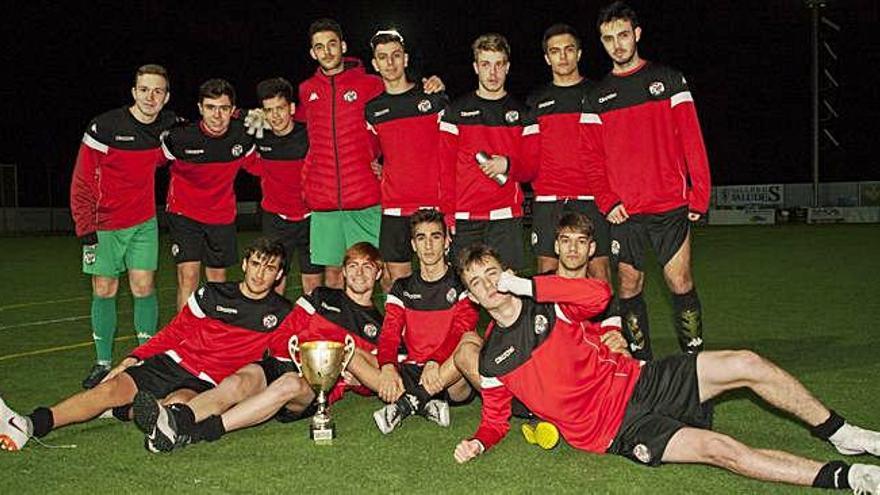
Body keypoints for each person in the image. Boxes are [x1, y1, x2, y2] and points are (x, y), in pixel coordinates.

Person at [451, 245, 880, 494]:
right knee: (719, 449)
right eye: (477, 283)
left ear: (506, 272)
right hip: (615, 430)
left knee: (746, 362)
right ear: (471, 297)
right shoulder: (492, 359)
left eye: (492, 273)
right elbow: (494, 419)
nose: (490, 285)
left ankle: (840, 433)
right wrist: (478, 442)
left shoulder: (545, 299)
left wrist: (525, 284)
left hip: (641, 379)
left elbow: (599, 296)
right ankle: (846, 477)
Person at [0, 239, 292, 452]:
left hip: (208, 382)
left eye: (269, 268)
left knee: (177, 407)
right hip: (173, 362)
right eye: (255, 263)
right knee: (109, 389)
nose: (259, 273)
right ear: (244, 264)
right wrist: (133, 358)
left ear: (279, 275)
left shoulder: (282, 313)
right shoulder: (213, 293)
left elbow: (285, 356)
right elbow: (174, 331)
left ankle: (121, 411)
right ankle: (31, 424)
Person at [129, 242, 389, 452]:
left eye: (368, 267)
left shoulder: (379, 326)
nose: (359, 273)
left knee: (289, 383)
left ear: (378, 273)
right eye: (353, 266)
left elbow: (372, 380)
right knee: (237, 381)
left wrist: (353, 378)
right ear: (343, 272)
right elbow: (282, 336)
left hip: (310, 387)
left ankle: (197, 432)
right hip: (282, 363)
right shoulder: (320, 297)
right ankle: (173, 422)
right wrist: (304, 352)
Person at [580, 2, 712, 360]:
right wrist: (608, 202)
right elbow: (593, 160)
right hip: (625, 212)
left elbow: (692, 140)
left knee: (680, 282)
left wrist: (700, 195)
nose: (617, 44)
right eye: (608, 38)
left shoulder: (669, 80)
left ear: (636, 34)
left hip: (669, 203)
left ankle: (693, 361)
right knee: (628, 286)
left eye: (623, 35)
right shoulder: (596, 98)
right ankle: (641, 365)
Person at [452, 212, 628, 449]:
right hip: (532, 385)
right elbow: (506, 333)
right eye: (566, 241)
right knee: (468, 353)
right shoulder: (535, 288)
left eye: (581, 242)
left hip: (581, 376)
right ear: (556, 246)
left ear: (592, 248)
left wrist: (615, 341)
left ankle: (564, 416)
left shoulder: (598, 293)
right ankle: (544, 415)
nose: (573, 249)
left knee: (621, 353)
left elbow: (613, 338)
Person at [69, 64, 179, 389]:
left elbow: (204, 132)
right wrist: (84, 223)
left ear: (166, 97)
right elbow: (82, 178)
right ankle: (102, 363)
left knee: (143, 287)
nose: (150, 96)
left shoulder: (168, 128)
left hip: (144, 223)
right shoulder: (104, 127)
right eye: (144, 89)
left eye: (157, 91)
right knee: (104, 289)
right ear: (133, 92)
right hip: (103, 224)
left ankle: (143, 358)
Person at [370, 210, 479, 434]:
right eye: (421, 238)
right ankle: (426, 404)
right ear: (413, 245)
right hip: (412, 371)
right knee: (356, 356)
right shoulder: (402, 287)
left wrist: (436, 360)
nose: (428, 245)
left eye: (435, 237)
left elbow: (461, 329)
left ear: (447, 241)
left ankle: (405, 405)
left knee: (470, 340)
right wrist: (388, 366)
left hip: (450, 376)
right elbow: (389, 333)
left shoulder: (462, 283)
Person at [439, 33, 537, 270]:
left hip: (506, 219)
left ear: (507, 67)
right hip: (465, 221)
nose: (492, 73)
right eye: (485, 64)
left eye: (498, 64)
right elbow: (444, 170)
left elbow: (531, 170)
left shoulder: (524, 113)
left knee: (507, 293)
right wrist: (448, 216)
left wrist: (508, 166)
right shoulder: (455, 112)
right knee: (466, 296)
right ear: (476, 67)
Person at [365, 29, 450, 291]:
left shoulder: (432, 98)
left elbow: (453, 147)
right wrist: (378, 167)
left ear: (406, 59)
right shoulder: (373, 109)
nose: (390, 63)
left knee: (438, 278)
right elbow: (373, 152)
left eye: (395, 56)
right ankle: (401, 333)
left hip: (431, 204)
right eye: (383, 57)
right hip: (393, 206)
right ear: (375, 64)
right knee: (395, 283)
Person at [525, 25, 611, 284]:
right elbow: (527, 154)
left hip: (593, 196)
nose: (562, 57)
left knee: (600, 275)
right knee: (547, 274)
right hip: (550, 199)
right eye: (555, 51)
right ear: (547, 58)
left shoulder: (599, 95)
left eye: (568, 50)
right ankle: (553, 326)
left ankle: (606, 327)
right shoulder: (535, 101)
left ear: (579, 54)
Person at [162, 78, 257, 310]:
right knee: (189, 277)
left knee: (218, 282)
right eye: (211, 108)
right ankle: (183, 340)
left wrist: (255, 117)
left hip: (221, 215)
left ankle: (215, 338)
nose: (217, 115)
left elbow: (264, 162)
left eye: (224, 108)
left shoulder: (243, 137)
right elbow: (147, 163)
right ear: (200, 109)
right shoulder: (180, 138)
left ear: (232, 110)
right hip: (184, 212)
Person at [252, 77, 323, 295]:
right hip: (276, 221)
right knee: (274, 282)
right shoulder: (258, 136)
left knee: (313, 284)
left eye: (280, 108)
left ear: (291, 108)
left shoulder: (310, 134)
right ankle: (276, 328)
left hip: (312, 218)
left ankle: (312, 329)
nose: (275, 115)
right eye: (269, 110)